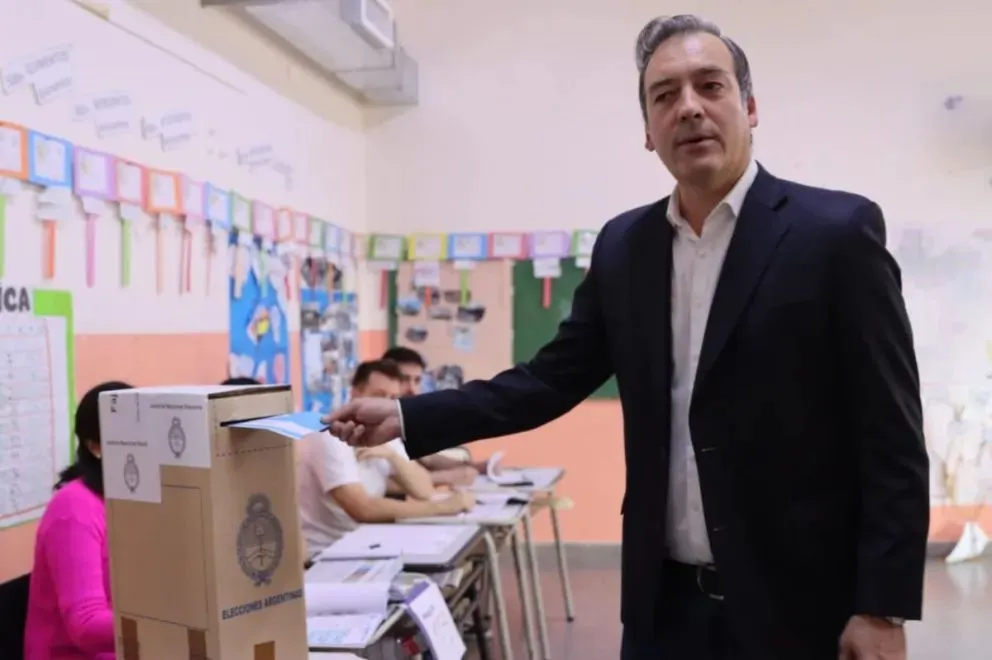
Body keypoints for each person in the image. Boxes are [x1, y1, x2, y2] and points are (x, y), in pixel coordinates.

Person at [327, 14, 930, 660]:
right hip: (662, 613)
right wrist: (404, 413)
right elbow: (546, 381)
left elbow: (891, 435)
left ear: (751, 107)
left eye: (710, 86)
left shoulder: (835, 235)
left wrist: (882, 606)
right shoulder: (626, 248)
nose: (689, 108)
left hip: (801, 610)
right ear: (648, 131)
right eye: (665, 95)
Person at [297, 359, 474, 556]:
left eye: (393, 398)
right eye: (378, 396)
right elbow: (363, 509)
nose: (384, 405)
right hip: (328, 554)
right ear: (355, 393)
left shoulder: (381, 430)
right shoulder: (330, 434)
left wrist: (393, 457)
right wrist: (442, 507)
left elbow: (424, 490)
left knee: (455, 551)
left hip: (367, 544)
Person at [24, 381, 135, 660]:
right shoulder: (72, 508)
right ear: (95, 445)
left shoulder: (137, 496)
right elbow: (85, 626)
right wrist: (168, 622)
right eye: (131, 434)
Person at [382, 347, 490, 486]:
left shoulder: (406, 418)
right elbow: (382, 484)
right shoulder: (373, 424)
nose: (412, 390)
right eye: (404, 380)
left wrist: (473, 466)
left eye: (417, 381)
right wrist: (448, 477)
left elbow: (427, 460)